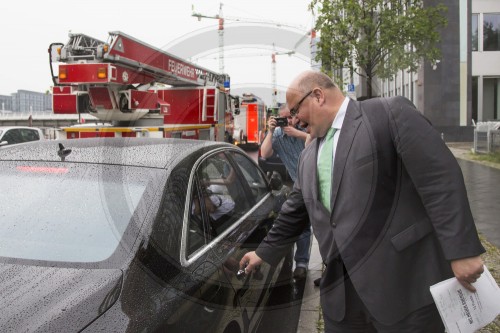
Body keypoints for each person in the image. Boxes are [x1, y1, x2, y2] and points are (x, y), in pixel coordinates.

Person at [240, 70, 485, 332]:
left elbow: (439, 178)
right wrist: (263, 253)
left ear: (318, 96)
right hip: (343, 301)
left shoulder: (388, 114)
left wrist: (462, 251)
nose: (294, 120)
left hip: (403, 289)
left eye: (295, 110)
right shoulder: (308, 155)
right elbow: (295, 210)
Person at [260, 103, 311, 280]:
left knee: (325, 228)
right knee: (302, 226)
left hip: (319, 183)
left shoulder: (306, 127)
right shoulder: (279, 135)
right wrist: (271, 131)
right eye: (284, 118)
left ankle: (327, 265)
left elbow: (318, 142)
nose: (288, 121)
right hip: (299, 186)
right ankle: (302, 264)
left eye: (290, 117)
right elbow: (264, 153)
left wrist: (299, 133)